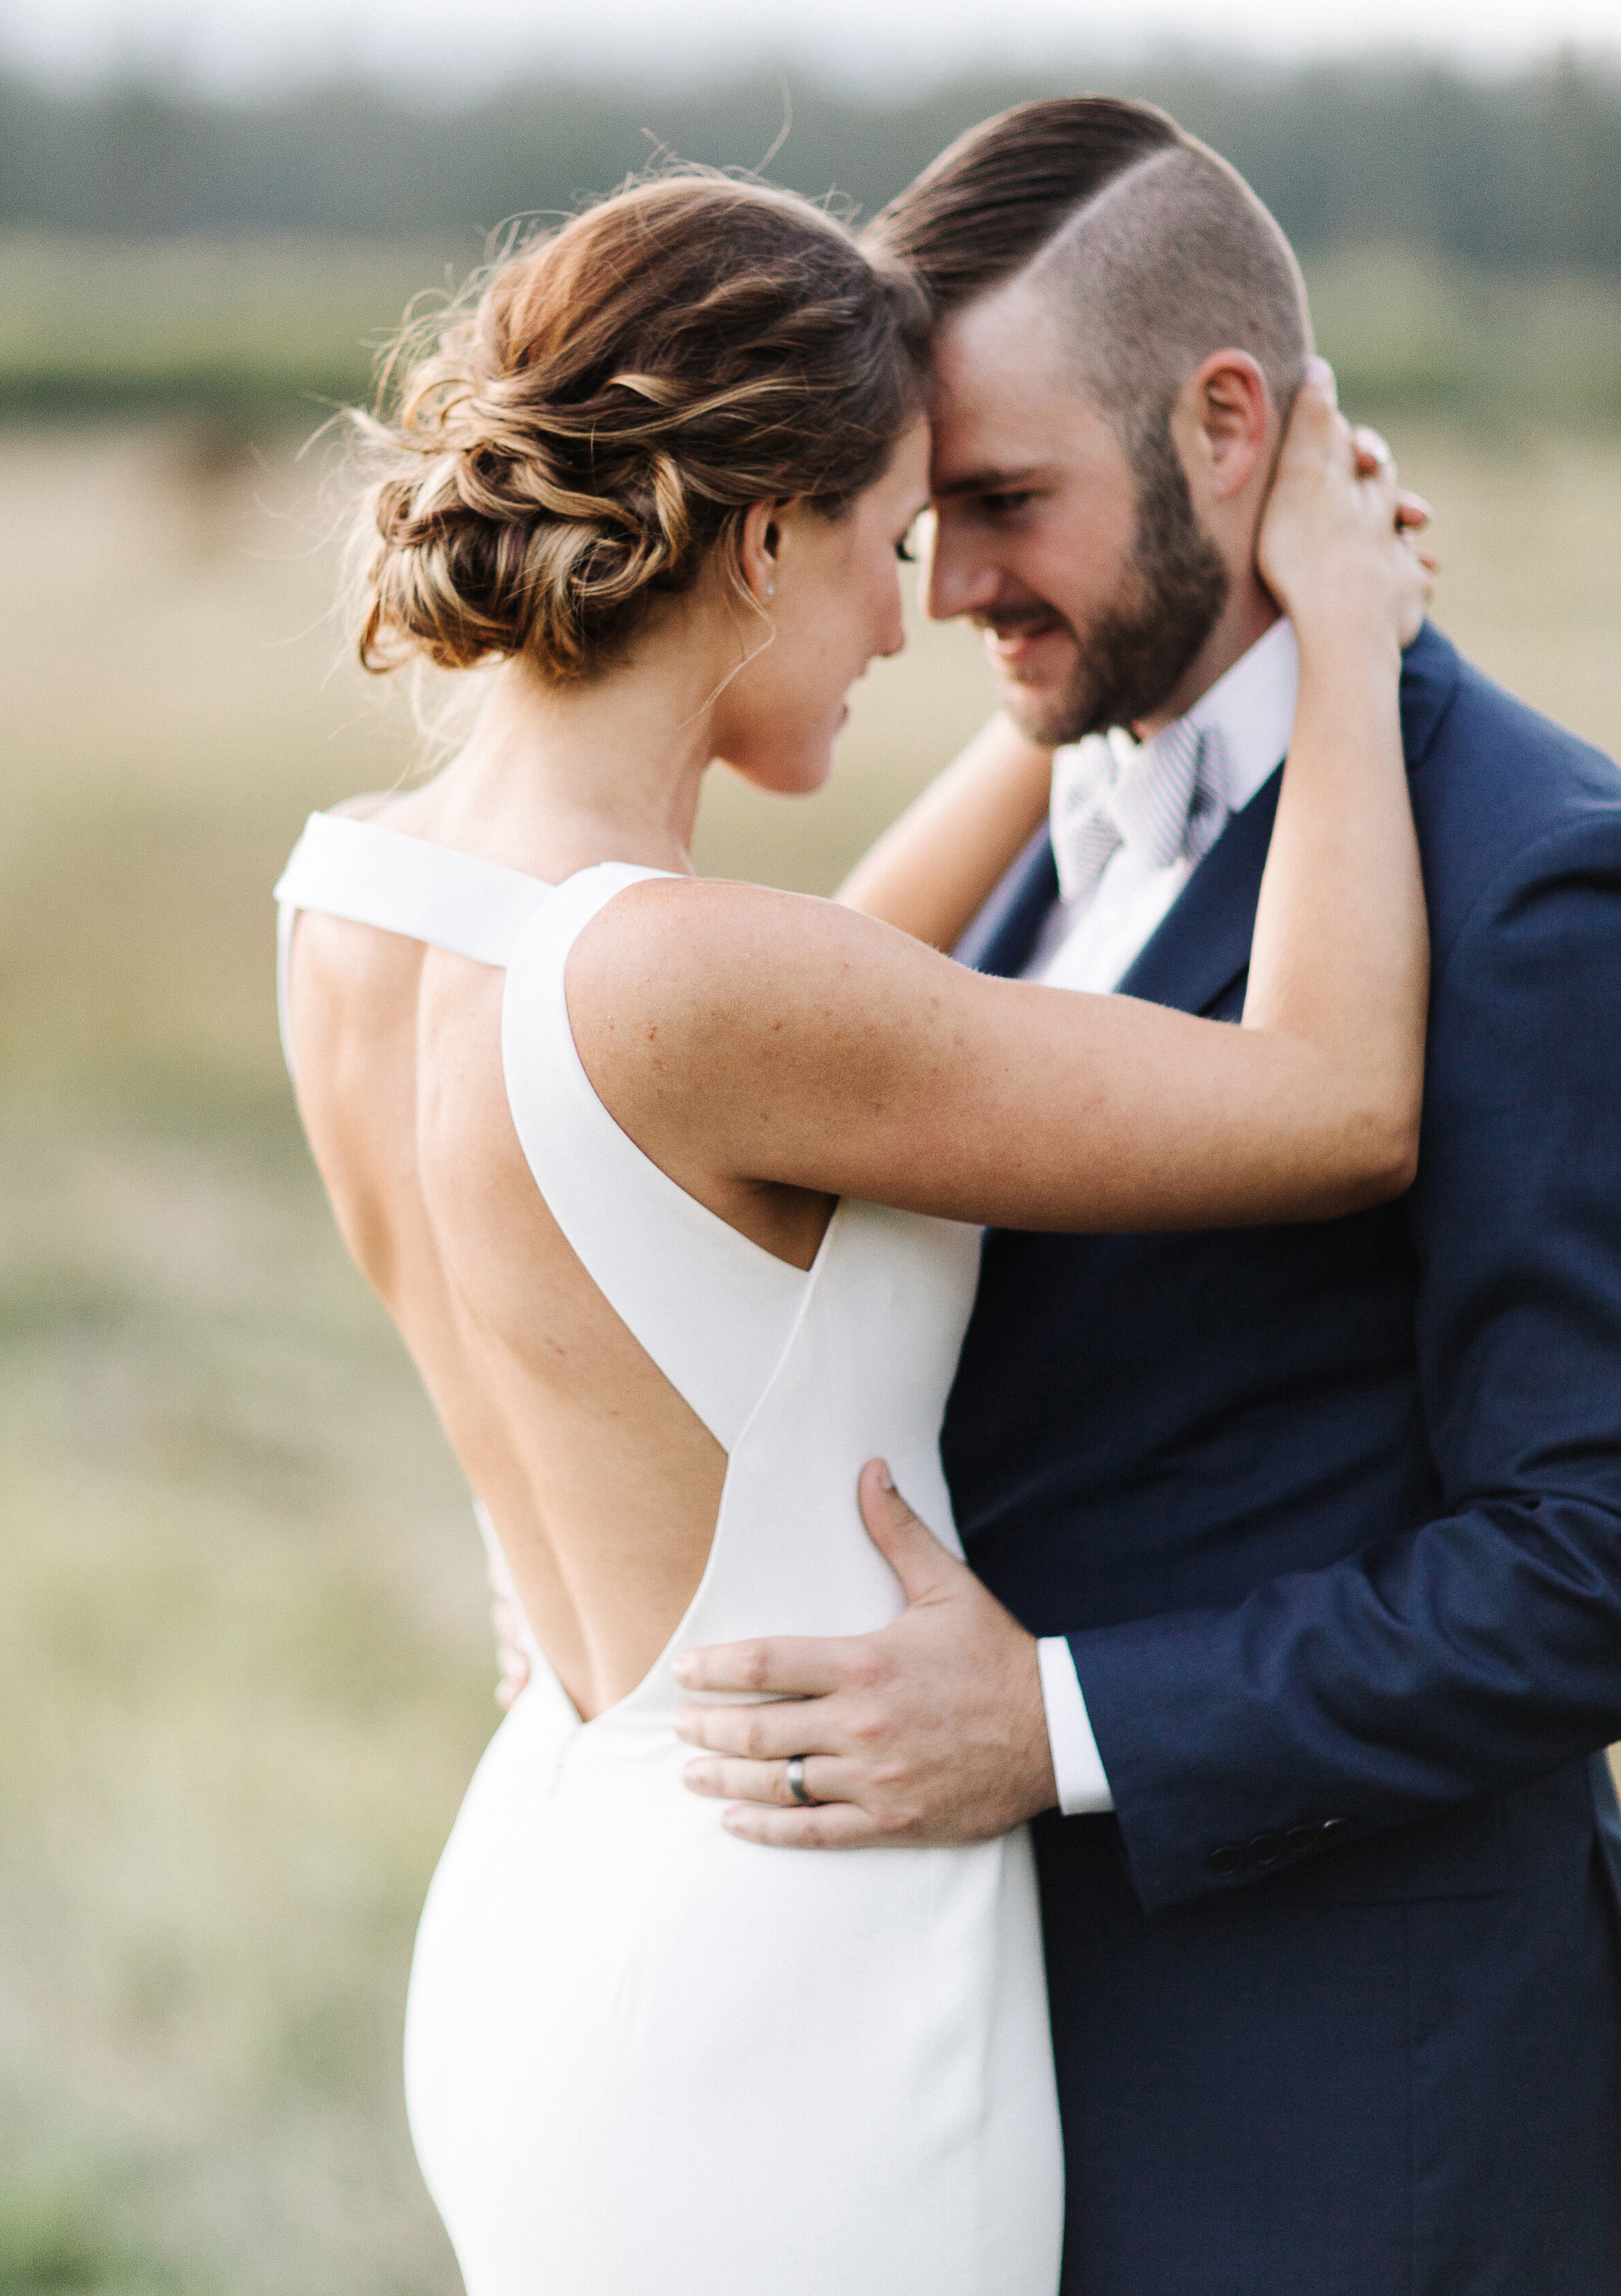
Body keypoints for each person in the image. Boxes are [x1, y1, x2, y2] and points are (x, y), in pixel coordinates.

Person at [274, 169, 1427, 2295]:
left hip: (552, 1892)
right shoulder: (702, 989)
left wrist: (1042, 718)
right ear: (760, 538)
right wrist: (1346, 641)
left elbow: (789, 1020)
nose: (916, 616)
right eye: (895, 542)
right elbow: (1339, 1108)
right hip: (794, 1969)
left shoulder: (357, 896)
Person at [674, 102, 1621, 2293]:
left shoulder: (1532, 873)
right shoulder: (1045, 814)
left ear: (1223, 429)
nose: (952, 592)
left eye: (1005, 505)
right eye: (924, 522)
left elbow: (1589, 1559)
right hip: (983, 2059)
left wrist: (1061, 1720)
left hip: (1347, 2115)